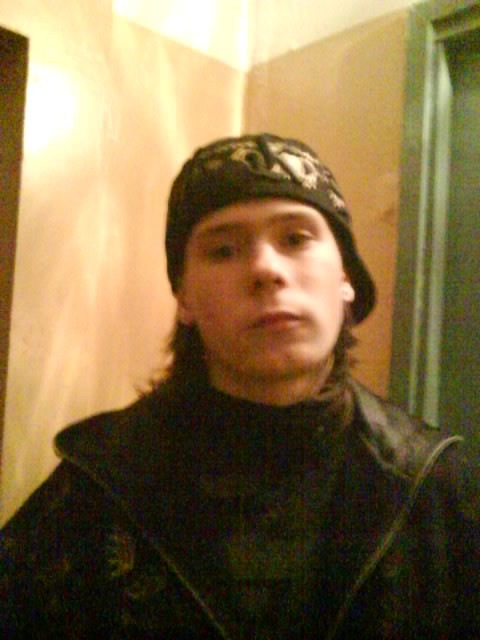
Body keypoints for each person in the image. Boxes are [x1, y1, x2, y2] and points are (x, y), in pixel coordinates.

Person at [1, 133, 478, 639]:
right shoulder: (99, 485)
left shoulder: (437, 489)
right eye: (223, 250)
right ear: (184, 297)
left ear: (346, 278)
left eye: (296, 239)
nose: (265, 270)